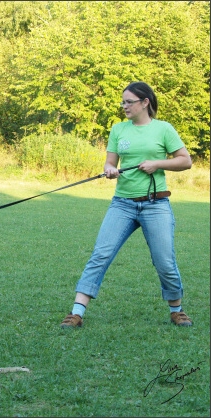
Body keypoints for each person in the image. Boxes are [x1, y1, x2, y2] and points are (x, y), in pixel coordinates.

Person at [60, 81, 193, 329]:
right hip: (122, 204)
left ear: (145, 102)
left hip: (156, 205)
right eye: (122, 102)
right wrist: (110, 170)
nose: (124, 106)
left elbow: (186, 161)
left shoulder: (163, 129)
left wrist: (157, 163)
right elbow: (110, 163)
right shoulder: (118, 129)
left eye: (129, 102)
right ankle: (77, 313)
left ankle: (177, 310)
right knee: (101, 254)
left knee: (164, 260)